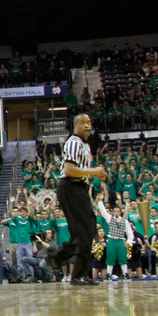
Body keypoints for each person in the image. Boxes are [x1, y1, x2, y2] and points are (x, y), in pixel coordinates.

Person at [50, 114, 107, 285]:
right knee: (83, 233)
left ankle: (58, 260)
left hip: (79, 188)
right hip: (70, 186)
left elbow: (81, 171)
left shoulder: (85, 145)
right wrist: (94, 171)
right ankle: (76, 274)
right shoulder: (73, 142)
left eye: (89, 122)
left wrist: (94, 173)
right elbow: (69, 170)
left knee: (88, 229)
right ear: (75, 126)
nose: (87, 125)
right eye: (83, 123)